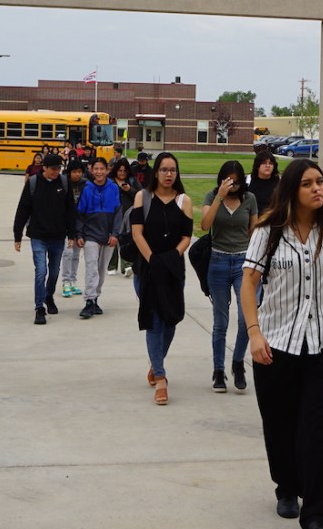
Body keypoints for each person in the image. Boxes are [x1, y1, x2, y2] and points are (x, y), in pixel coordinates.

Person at [240, 159, 323, 529]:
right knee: (280, 423)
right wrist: (254, 334)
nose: (317, 188)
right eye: (308, 183)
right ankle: (285, 486)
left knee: (319, 429)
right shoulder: (269, 231)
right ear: (292, 190)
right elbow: (249, 284)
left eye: (322, 182)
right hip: (276, 344)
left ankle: (318, 517)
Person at [131, 152, 193, 405]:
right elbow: (137, 233)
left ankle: (156, 363)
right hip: (147, 270)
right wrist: (153, 260)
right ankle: (161, 377)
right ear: (155, 172)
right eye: (164, 169)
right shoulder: (142, 197)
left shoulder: (184, 201)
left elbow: (187, 236)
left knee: (171, 320)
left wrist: (171, 257)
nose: (169, 174)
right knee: (155, 320)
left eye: (173, 170)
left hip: (173, 271)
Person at [200, 159, 259, 393]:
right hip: (218, 261)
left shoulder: (250, 199)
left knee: (246, 319)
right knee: (220, 321)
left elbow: (254, 231)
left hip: (244, 263)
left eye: (236, 182)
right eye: (228, 181)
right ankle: (218, 370)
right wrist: (219, 197)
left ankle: (238, 362)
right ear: (222, 179)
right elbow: (205, 225)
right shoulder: (211, 196)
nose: (232, 186)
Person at [13, 152, 78, 324]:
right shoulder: (33, 184)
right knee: (41, 271)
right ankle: (39, 308)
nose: (56, 172)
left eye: (59, 168)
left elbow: (71, 210)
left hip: (58, 236)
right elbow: (23, 209)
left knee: (55, 271)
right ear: (45, 168)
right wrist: (17, 235)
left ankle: (49, 296)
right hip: (38, 235)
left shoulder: (64, 183)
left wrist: (72, 234)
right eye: (53, 169)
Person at [75, 156, 122, 318]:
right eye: (96, 169)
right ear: (91, 170)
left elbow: (118, 213)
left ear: (107, 170)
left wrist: (115, 234)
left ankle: (95, 297)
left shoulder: (113, 188)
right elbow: (80, 214)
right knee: (91, 267)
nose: (99, 172)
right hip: (90, 235)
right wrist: (79, 234)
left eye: (102, 168)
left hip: (108, 236)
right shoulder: (87, 189)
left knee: (102, 269)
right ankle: (88, 300)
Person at [58, 159, 88, 297]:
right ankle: (65, 282)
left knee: (76, 255)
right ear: (69, 172)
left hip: (80, 224)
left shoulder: (86, 185)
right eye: (74, 172)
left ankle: (73, 281)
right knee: (67, 253)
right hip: (65, 223)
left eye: (80, 172)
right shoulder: (63, 183)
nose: (77, 174)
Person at [109, 159, 140, 275]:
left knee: (125, 239)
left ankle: (127, 265)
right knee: (113, 238)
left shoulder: (132, 180)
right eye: (120, 170)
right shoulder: (110, 181)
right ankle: (111, 266)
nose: (122, 173)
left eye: (124, 171)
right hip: (113, 213)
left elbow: (141, 194)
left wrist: (130, 190)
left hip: (128, 213)